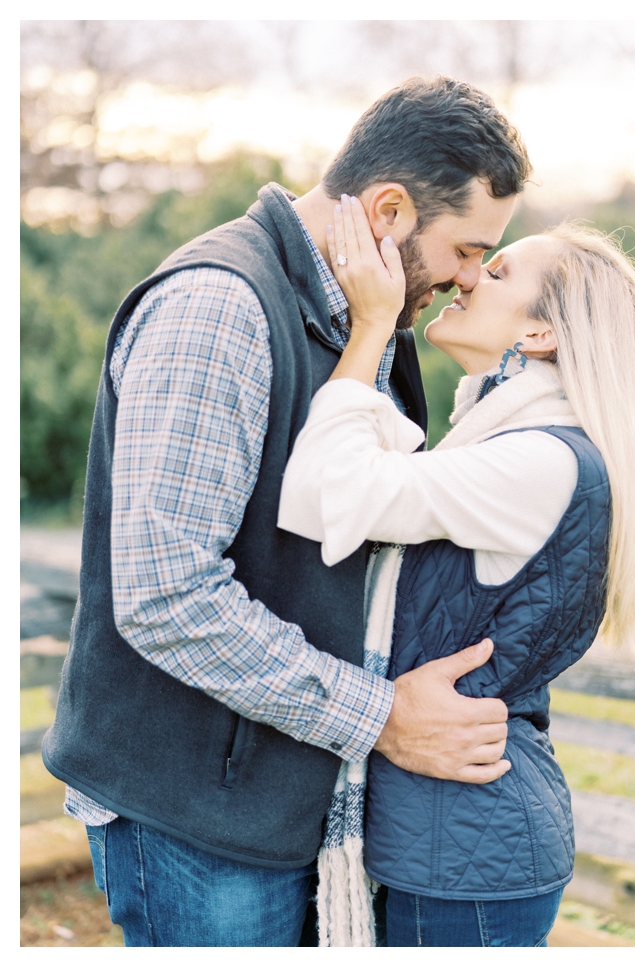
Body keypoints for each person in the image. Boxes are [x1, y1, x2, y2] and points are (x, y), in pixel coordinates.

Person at [42, 76, 533, 946]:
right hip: (195, 813)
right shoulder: (219, 308)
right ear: (387, 209)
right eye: (466, 249)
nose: (468, 280)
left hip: (282, 793)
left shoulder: (371, 323)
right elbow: (167, 594)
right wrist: (379, 716)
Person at [276, 198, 635, 945]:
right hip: (456, 827)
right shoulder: (513, 443)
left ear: (540, 332)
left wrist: (369, 329)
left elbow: (327, 491)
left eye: (493, 270)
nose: (464, 280)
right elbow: (377, 473)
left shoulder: (538, 460)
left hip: (466, 842)